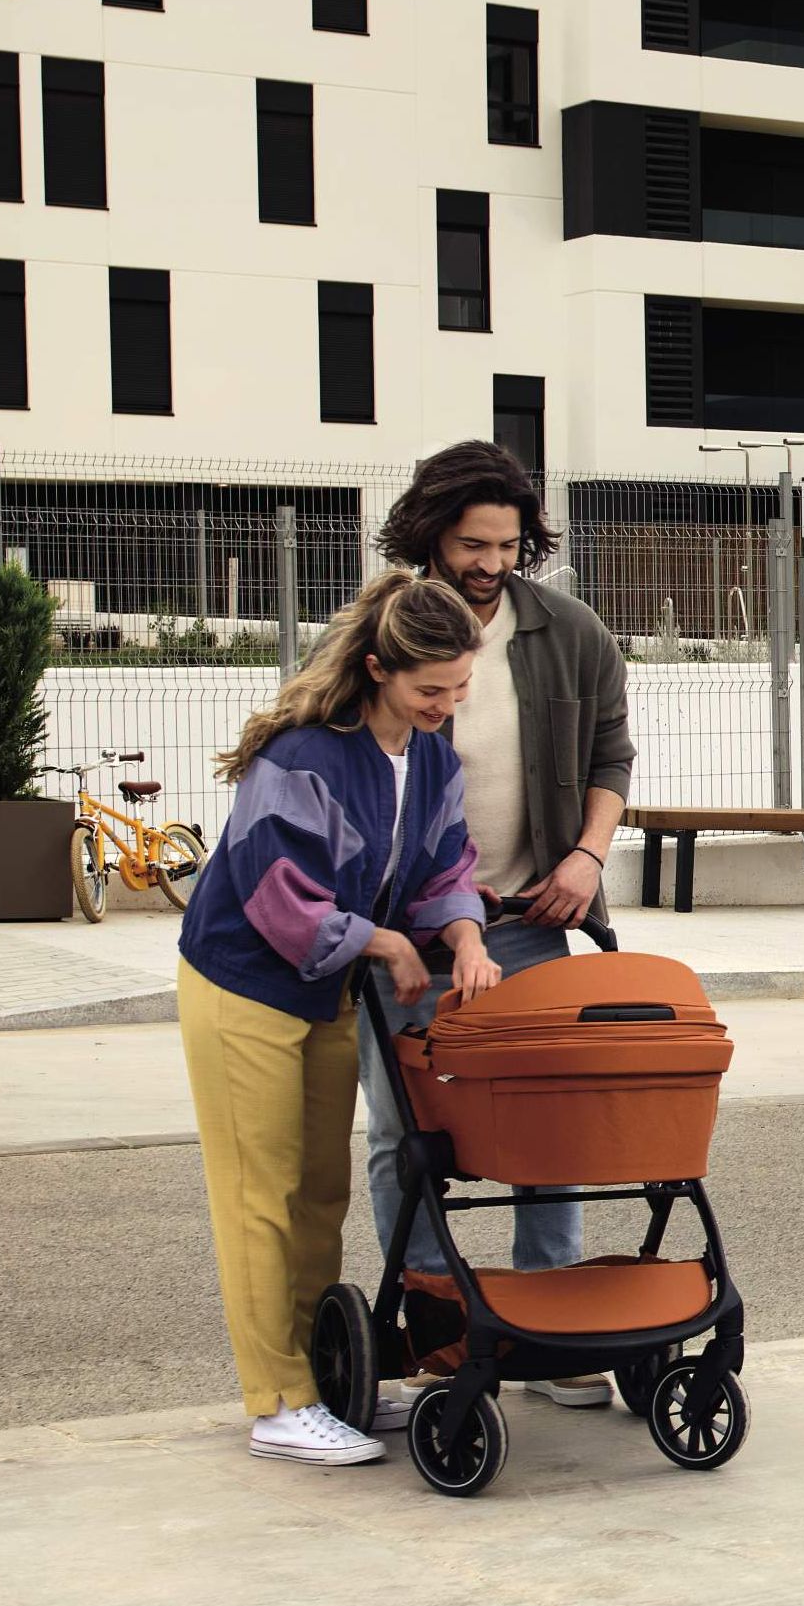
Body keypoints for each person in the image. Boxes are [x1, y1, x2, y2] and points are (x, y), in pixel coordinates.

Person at [177, 572, 502, 1465]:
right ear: (377, 671)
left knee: (320, 1192)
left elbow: (445, 865)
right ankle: (277, 1401)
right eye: (429, 689)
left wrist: (467, 939)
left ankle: (323, 1381)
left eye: (459, 688)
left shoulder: (430, 756)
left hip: (323, 989)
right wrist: (388, 945)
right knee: (260, 1197)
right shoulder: (304, 755)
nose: (446, 705)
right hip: (244, 985)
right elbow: (276, 894)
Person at [360, 441, 636, 1410]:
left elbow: (612, 754)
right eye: (472, 543)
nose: (489, 562)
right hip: (406, 934)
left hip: (528, 919)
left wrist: (586, 858)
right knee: (409, 1139)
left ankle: (552, 1329)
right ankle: (435, 1333)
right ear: (431, 533)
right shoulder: (383, 628)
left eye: (507, 544)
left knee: (549, 1130)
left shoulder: (569, 631)